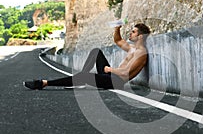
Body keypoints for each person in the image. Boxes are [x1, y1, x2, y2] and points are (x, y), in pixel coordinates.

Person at [23, 23, 151, 90]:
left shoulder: (141, 54)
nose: (130, 33)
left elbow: (126, 73)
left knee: (84, 77)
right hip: (110, 75)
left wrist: (110, 69)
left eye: (133, 32)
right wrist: (117, 28)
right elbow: (118, 41)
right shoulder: (132, 48)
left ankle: (44, 83)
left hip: (116, 81)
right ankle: (79, 80)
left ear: (140, 36)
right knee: (96, 52)